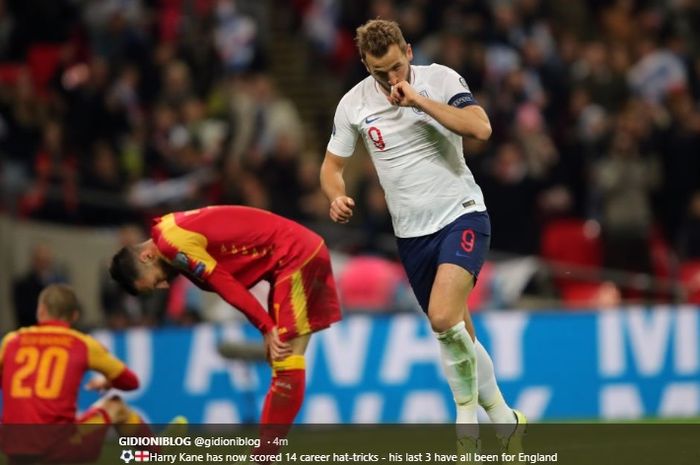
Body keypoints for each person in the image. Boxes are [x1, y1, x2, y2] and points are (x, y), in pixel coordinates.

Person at [319, 19, 525, 456]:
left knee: (442, 318)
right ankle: (506, 421)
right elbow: (332, 167)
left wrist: (418, 101)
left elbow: (481, 128)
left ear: (408, 51)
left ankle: (466, 421)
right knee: (457, 331)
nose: (390, 78)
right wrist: (336, 196)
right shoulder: (353, 105)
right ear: (365, 65)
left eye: (396, 67)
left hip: (462, 215)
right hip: (412, 235)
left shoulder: (441, 79)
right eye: (379, 72)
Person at [109, 204, 342, 455]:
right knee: (283, 359)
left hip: (294, 255)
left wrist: (265, 326)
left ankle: (264, 457)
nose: (164, 285)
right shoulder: (167, 230)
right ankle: (265, 454)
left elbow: (223, 282)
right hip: (291, 254)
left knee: (286, 358)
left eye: (155, 280)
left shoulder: (171, 245)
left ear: (146, 256)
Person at [0, 284, 156, 463]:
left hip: (14, 449)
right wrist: (108, 382)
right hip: (60, 449)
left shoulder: (11, 341)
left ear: (40, 311)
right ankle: (156, 453)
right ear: (75, 316)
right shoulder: (82, 344)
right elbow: (131, 382)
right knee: (115, 406)